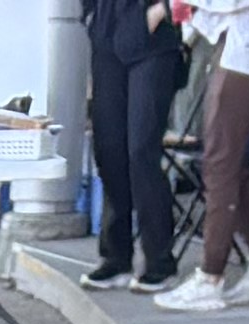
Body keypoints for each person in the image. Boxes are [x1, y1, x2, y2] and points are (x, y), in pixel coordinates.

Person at [162, 0, 249, 307]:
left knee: (219, 164)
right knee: (225, 164)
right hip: (237, 48)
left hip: (248, 55)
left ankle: (211, 276)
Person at [78, 0, 188, 289]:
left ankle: (159, 260)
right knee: (109, 148)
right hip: (106, 32)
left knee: (141, 151)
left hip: (154, 39)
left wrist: (161, 10)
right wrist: (90, 16)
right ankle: (115, 257)